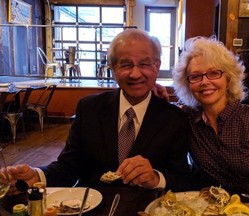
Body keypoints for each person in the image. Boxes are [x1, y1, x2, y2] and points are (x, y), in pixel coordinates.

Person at [6, 29, 192, 196]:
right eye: (126, 65)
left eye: (144, 64)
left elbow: (182, 178)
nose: (135, 74)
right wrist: (36, 175)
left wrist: (156, 178)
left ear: (156, 66)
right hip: (92, 207)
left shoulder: (175, 119)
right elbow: (69, 167)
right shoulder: (89, 109)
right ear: (113, 69)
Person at [172, 36, 249, 195]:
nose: (204, 82)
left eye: (214, 73)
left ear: (228, 77)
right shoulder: (186, 119)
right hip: (208, 207)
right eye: (196, 76)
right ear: (187, 83)